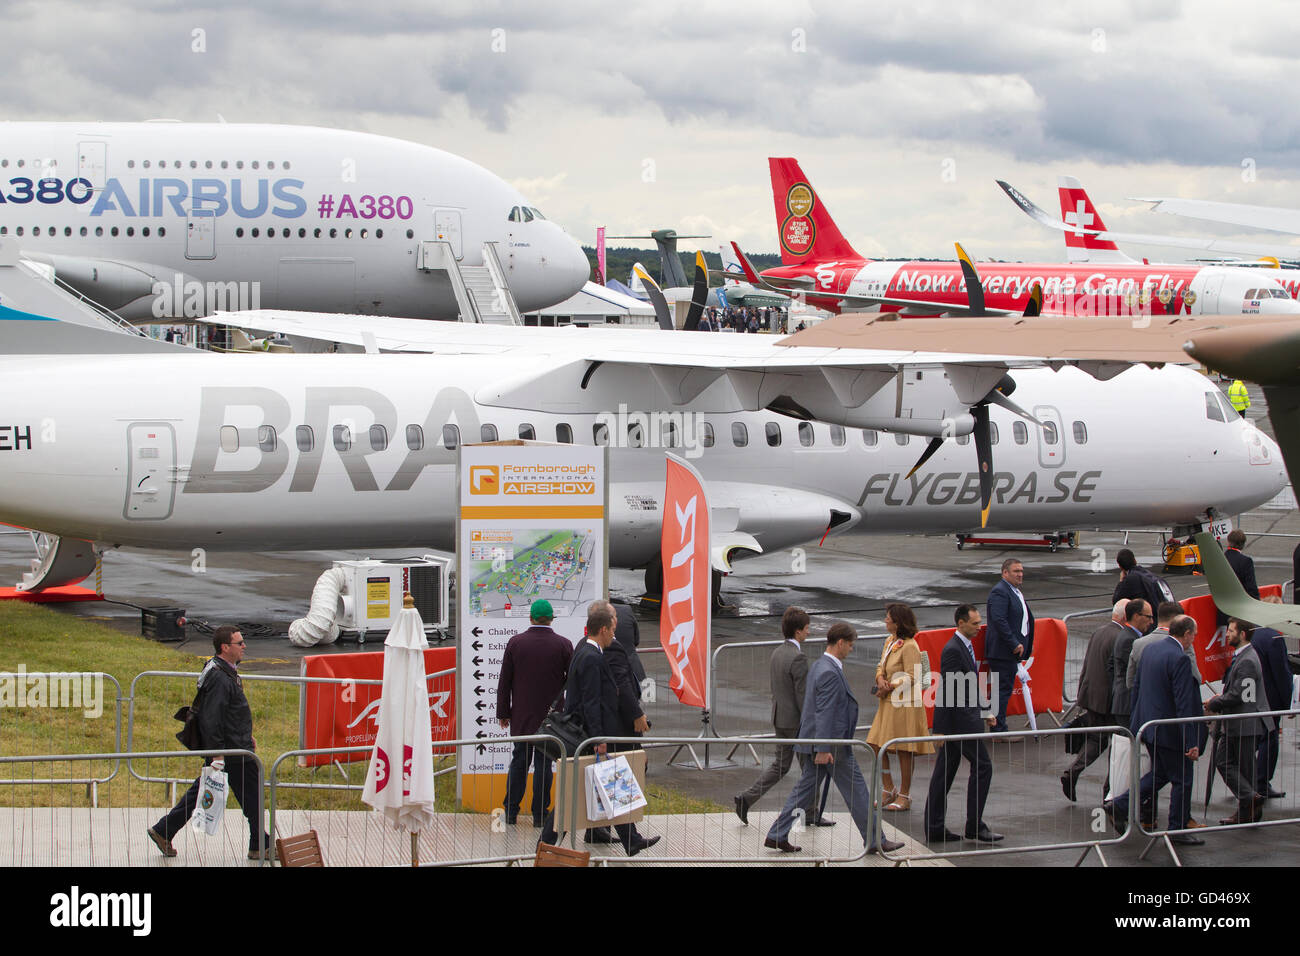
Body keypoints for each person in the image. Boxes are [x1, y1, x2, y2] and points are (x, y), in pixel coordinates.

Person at [763, 622, 903, 854]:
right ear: (840, 643)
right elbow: (825, 712)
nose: (851, 649)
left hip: (820, 744)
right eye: (850, 645)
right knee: (858, 791)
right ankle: (876, 839)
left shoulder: (820, 665)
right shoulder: (829, 671)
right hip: (832, 746)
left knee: (804, 790)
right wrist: (824, 748)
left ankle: (777, 834)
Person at [539, 601, 658, 856]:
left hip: (588, 736)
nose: (615, 635)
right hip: (588, 737)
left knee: (606, 785)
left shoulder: (585, 650)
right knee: (574, 795)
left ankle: (630, 839)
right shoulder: (592, 657)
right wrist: (598, 739)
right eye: (612, 630)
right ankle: (546, 844)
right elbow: (591, 702)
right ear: (603, 630)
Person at [147, 626, 270, 860]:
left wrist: (246, 734)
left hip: (233, 744)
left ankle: (164, 830)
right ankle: (259, 844)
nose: (244, 646)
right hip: (230, 749)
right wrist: (217, 754)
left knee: (216, 791)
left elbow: (227, 713)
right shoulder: (220, 677)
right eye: (239, 643)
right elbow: (212, 717)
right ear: (225, 647)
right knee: (250, 795)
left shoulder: (220, 669)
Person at [1111, 616, 1206, 845]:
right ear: (1186, 634)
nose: (1194, 639)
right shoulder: (1180, 659)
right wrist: (1190, 741)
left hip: (1149, 728)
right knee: (1183, 780)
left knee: (1160, 775)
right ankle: (1176, 829)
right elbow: (1183, 704)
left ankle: (1120, 805)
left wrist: (1137, 726)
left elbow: (1137, 689)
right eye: (1194, 634)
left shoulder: (1151, 650)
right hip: (1169, 732)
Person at [734, 607, 830, 826]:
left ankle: (747, 798)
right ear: (798, 631)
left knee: (781, 766)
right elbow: (802, 696)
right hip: (797, 723)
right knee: (811, 769)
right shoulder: (798, 658)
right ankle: (811, 811)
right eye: (806, 629)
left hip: (780, 718)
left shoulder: (778, 652)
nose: (808, 633)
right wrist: (812, 724)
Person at [924, 605, 1000, 843]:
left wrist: (986, 709)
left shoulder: (963, 647)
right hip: (961, 723)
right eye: (975, 623)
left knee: (944, 773)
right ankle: (974, 826)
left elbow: (969, 683)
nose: (979, 627)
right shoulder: (953, 650)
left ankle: (935, 827)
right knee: (983, 767)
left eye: (979, 622)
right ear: (961, 624)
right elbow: (947, 689)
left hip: (964, 720)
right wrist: (940, 729)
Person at [496, 599, 573, 826]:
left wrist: (503, 713)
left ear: (530, 617)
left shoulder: (516, 643)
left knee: (519, 762)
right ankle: (540, 815)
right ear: (551, 618)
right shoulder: (564, 645)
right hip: (551, 721)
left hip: (521, 717)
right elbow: (572, 682)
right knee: (543, 765)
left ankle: (510, 811)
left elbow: (505, 682)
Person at [866, 603, 935, 810]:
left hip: (905, 703)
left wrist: (891, 685)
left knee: (905, 749)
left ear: (898, 622)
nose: (885, 621)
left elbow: (913, 676)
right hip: (888, 702)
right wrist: (880, 679)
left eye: (888, 618)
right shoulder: (890, 641)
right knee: (875, 744)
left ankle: (904, 794)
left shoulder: (910, 646)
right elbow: (881, 664)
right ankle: (888, 788)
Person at [1205, 618, 1274, 825]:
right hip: (1238, 723)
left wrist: (1216, 702)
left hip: (1245, 723)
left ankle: (1249, 805)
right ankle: (1249, 804)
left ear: (1242, 634)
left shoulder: (1247, 660)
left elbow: (1241, 695)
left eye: (1231, 631)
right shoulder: (1243, 657)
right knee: (1229, 763)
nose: (1227, 634)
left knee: (1239, 767)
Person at [1060, 600, 1126, 802]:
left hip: (1092, 697)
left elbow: (1087, 663)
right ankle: (1110, 791)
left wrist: (1082, 694)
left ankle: (1073, 772)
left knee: (1097, 741)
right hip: (1108, 702)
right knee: (1116, 744)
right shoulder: (1120, 638)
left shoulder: (1100, 631)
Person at [986, 558, 1034, 733]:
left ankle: (997, 726)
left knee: (1002, 690)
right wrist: (1014, 643)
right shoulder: (1000, 592)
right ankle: (998, 730)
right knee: (1001, 691)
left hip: (1008, 652)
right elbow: (999, 620)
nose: (1020, 574)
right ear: (1005, 573)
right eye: (1016, 571)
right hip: (1002, 652)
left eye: (1021, 571)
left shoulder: (1014, 591)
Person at [1250, 596, 1291, 799]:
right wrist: (1289, 702)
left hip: (1254, 696)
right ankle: (1261, 782)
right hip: (1271, 699)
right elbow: (1282, 674)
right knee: (1269, 740)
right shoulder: (1274, 638)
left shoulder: (1254, 634)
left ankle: (1252, 779)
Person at [1112, 549, 1167, 631]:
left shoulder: (1131, 579)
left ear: (1120, 566)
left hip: (1149, 624)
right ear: (1135, 560)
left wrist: (1121, 581)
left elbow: (1116, 600)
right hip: (1161, 618)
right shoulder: (1149, 575)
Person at [1217, 530, 1260, 628]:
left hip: (1222, 610)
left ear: (1228, 542)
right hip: (1240, 611)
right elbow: (1251, 586)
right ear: (1243, 544)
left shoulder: (1221, 558)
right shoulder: (1245, 561)